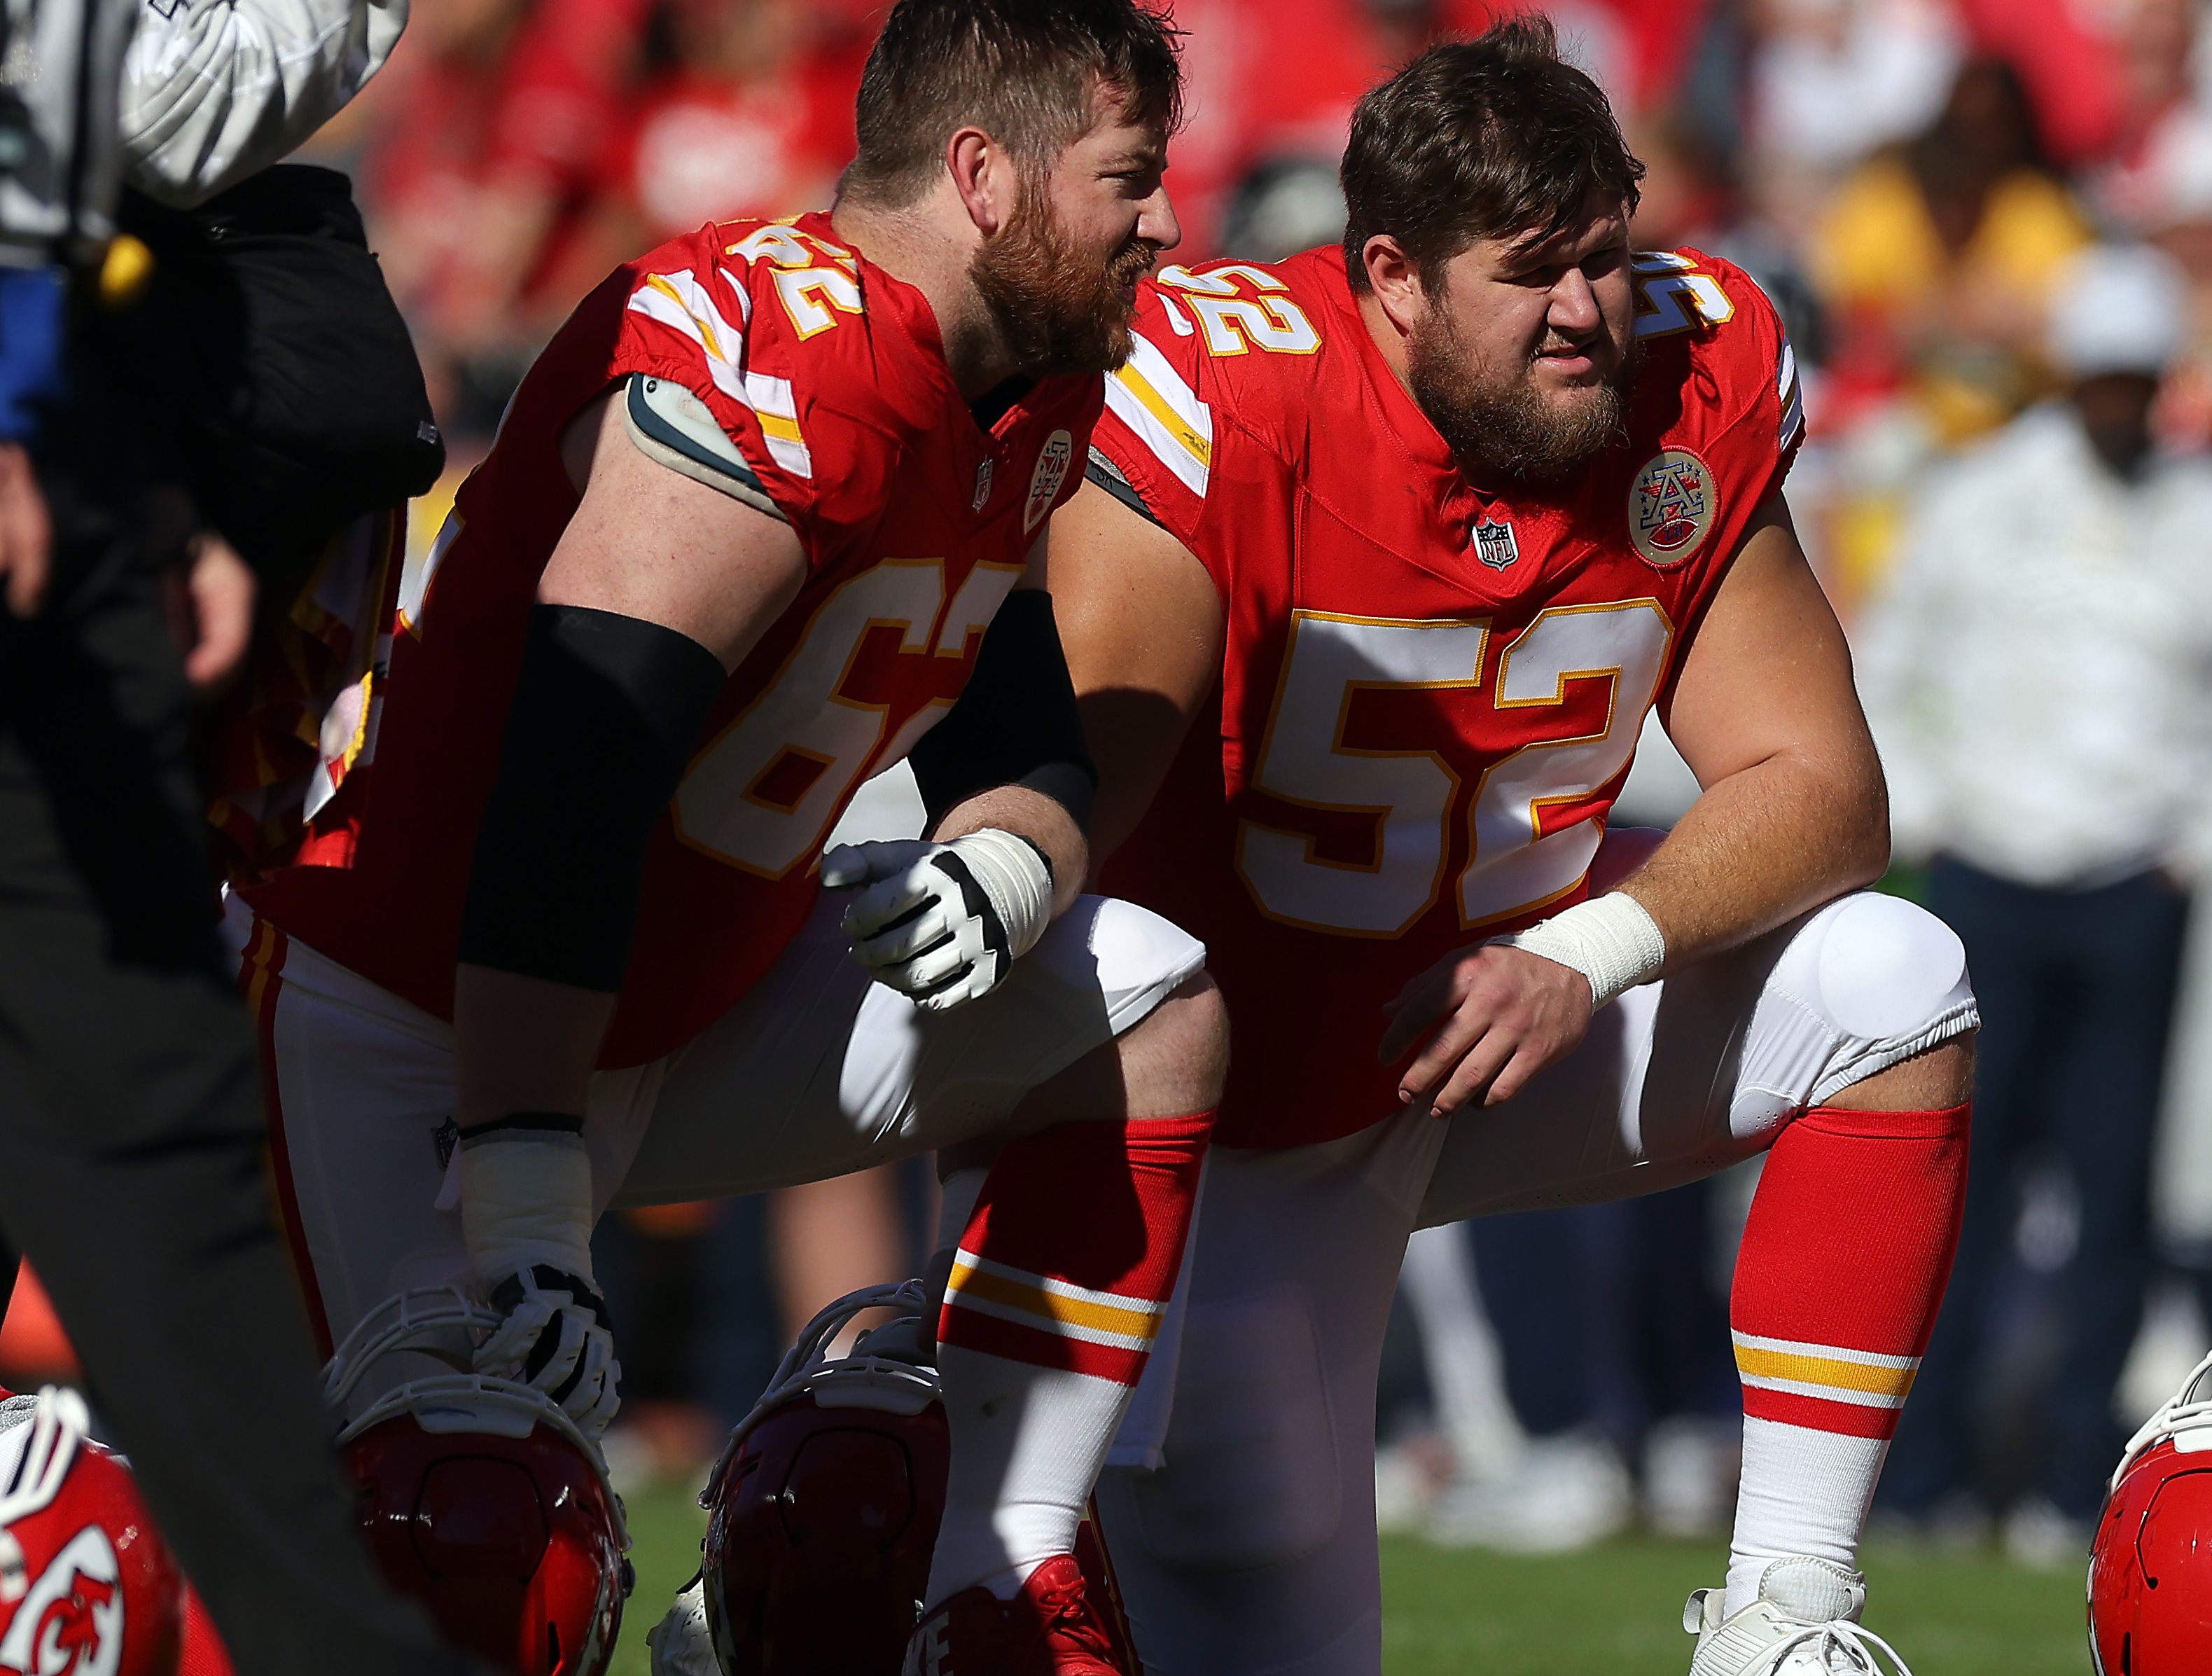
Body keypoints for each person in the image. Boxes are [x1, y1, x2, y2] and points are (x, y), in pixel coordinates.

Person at [232, 1, 1230, 1665]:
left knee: (1140, 999)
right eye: (1129, 176)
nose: (1168, 221)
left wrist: (1009, 859)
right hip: (420, 1021)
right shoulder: (776, 345)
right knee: (470, 1540)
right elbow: (575, 770)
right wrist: (532, 1197)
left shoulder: (1020, 380)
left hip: (686, 1009)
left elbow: (1020, 741)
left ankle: (995, 1557)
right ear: (983, 175)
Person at [1050, 22, 1980, 1674]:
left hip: (1485, 1034)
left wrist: (1582, 953)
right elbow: (1080, 796)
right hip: (1232, 1113)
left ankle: (1783, 1620)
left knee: (1892, 977)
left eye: (1601, 258)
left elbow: (1826, 789)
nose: (1582, 310)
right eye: (1529, 271)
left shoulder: (1689, 368)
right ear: (1392, 279)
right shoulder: (1232, 390)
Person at [0, 0, 503, 1667]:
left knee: (145, 1084)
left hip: (152, 383)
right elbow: (153, 102)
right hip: (127, 384)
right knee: (140, 1098)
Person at [1856, 242, 2212, 1547]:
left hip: (2132, 888)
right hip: (1988, 874)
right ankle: (1924, 1476)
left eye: (2137, 382)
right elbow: (1887, 661)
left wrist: (2191, 846)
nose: (2118, 404)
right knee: (1955, 1183)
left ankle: (2071, 1476)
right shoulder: (1977, 498)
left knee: (2114, 1193)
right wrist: (1934, 812)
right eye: (2100, 378)